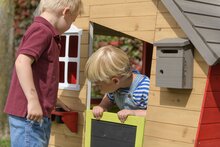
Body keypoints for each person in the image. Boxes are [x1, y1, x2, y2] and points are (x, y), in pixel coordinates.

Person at [4, 0, 83, 146]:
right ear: (65, 12)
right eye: (72, 21)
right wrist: (33, 100)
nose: (69, 26)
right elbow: (22, 62)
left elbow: (41, 74)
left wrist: (53, 99)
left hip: (34, 116)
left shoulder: (47, 33)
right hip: (29, 115)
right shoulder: (42, 30)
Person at [85, 45, 150, 123]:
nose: (95, 87)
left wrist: (134, 113)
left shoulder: (144, 88)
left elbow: (156, 113)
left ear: (115, 81)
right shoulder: (115, 88)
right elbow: (109, 98)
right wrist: (102, 106)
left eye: (99, 85)